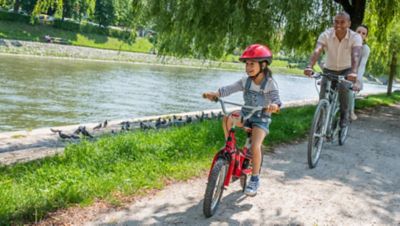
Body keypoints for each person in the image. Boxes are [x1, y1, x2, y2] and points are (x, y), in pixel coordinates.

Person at [203, 44, 281, 196]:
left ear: (263, 64)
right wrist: (215, 93)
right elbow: (228, 89)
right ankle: (229, 150)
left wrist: (274, 106)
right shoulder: (245, 81)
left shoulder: (270, 83)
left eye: (252, 64)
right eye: (247, 64)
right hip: (246, 114)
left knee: (255, 146)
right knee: (227, 118)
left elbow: (277, 101)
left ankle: (255, 178)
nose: (248, 67)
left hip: (261, 118)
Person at [304, 12, 362, 128]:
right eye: (336, 21)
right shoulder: (326, 34)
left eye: (342, 22)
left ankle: (344, 115)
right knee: (323, 98)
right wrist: (310, 66)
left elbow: (356, 55)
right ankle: (320, 126)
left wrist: (354, 72)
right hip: (329, 69)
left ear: (349, 23)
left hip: (347, 69)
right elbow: (317, 50)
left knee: (343, 89)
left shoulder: (355, 37)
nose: (338, 25)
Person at [351, 25, 370, 120]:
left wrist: (358, 80)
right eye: (358, 32)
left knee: (350, 92)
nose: (360, 34)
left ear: (366, 37)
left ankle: (350, 111)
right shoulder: (347, 43)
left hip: (355, 74)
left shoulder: (365, 49)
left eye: (363, 33)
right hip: (342, 71)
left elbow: (362, 66)